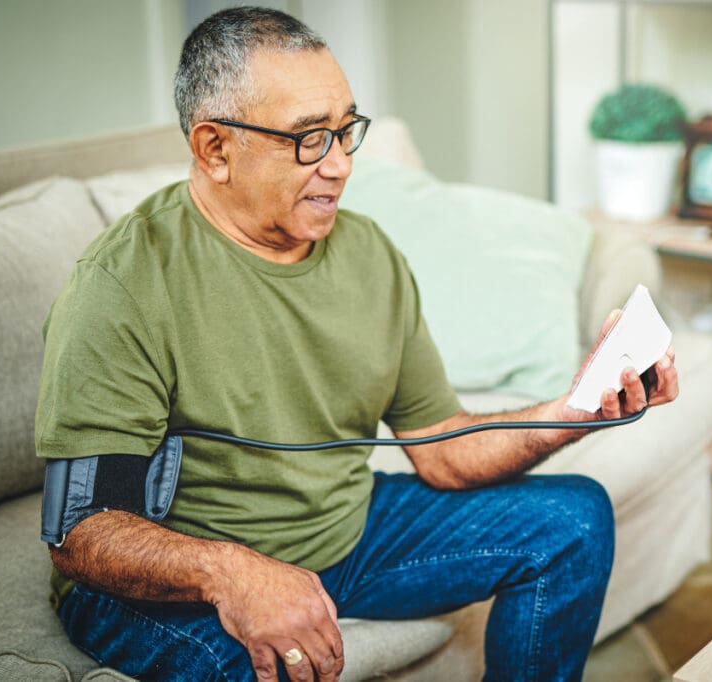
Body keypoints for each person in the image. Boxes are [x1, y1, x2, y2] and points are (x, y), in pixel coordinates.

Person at [35, 7, 678, 682]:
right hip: (167, 583)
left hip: (342, 534)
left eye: (346, 130)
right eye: (310, 139)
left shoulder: (370, 253)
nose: (340, 165)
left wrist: (573, 411)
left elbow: (443, 448)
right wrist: (235, 573)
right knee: (263, 666)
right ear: (215, 149)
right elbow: (83, 533)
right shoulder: (123, 283)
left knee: (571, 520)